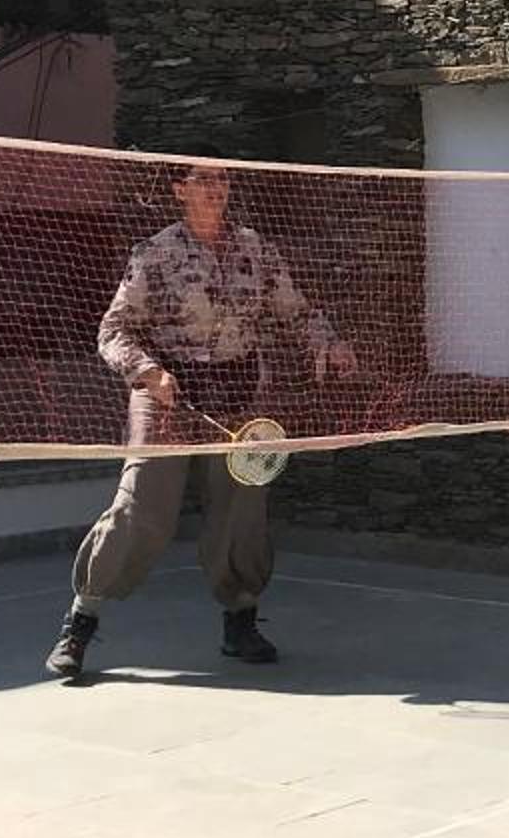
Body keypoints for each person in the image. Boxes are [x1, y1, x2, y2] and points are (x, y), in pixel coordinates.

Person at [47, 154, 354, 678]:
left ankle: (241, 620)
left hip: (239, 397)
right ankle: (81, 622)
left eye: (223, 179)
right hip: (168, 397)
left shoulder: (256, 249)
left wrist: (329, 344)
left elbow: (297, 311)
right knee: (142, 507)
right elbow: (113, 331)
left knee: (242, 512)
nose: (215, 188)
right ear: (179, 190)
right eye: (203, 180)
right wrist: (148, 373)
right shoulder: (155, 253)